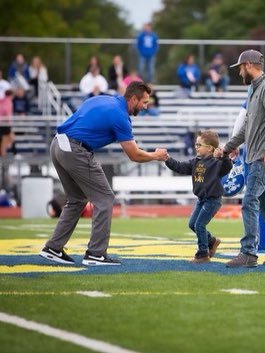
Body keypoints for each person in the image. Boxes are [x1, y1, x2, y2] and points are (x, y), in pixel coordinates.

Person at [39, 81, 169, 266]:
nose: (146, 107)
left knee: (77, 200)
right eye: (144, 102)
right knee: (105, 198)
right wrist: (156, 156)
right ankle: (95, 254)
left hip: (57, 144)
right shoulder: (121, 116)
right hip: (75, 149)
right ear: (133, 99)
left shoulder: (102, 100)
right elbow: (134, 155)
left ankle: (53, 247)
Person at [216, 49, 265, 267]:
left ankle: (248, 252)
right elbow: (247, 127)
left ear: (249, 65)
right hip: (253, 155)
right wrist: (227, 147)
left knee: (249, 201)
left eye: (241, 67)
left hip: (261, 156)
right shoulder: (254, 88)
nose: (240, 71)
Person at [165, 130, 232, 263]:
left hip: (212, 200)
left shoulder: (217, 162)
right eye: (196, 144)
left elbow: (227, 166)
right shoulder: (196, 161)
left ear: (209, 148)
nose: (196, 147)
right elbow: (180, 167)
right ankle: (212, 241)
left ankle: (203, 254)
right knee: (192, 224)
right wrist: (167, 159)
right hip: (201, 199)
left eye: (198, 145)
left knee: (199, 224)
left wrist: (224, 156)